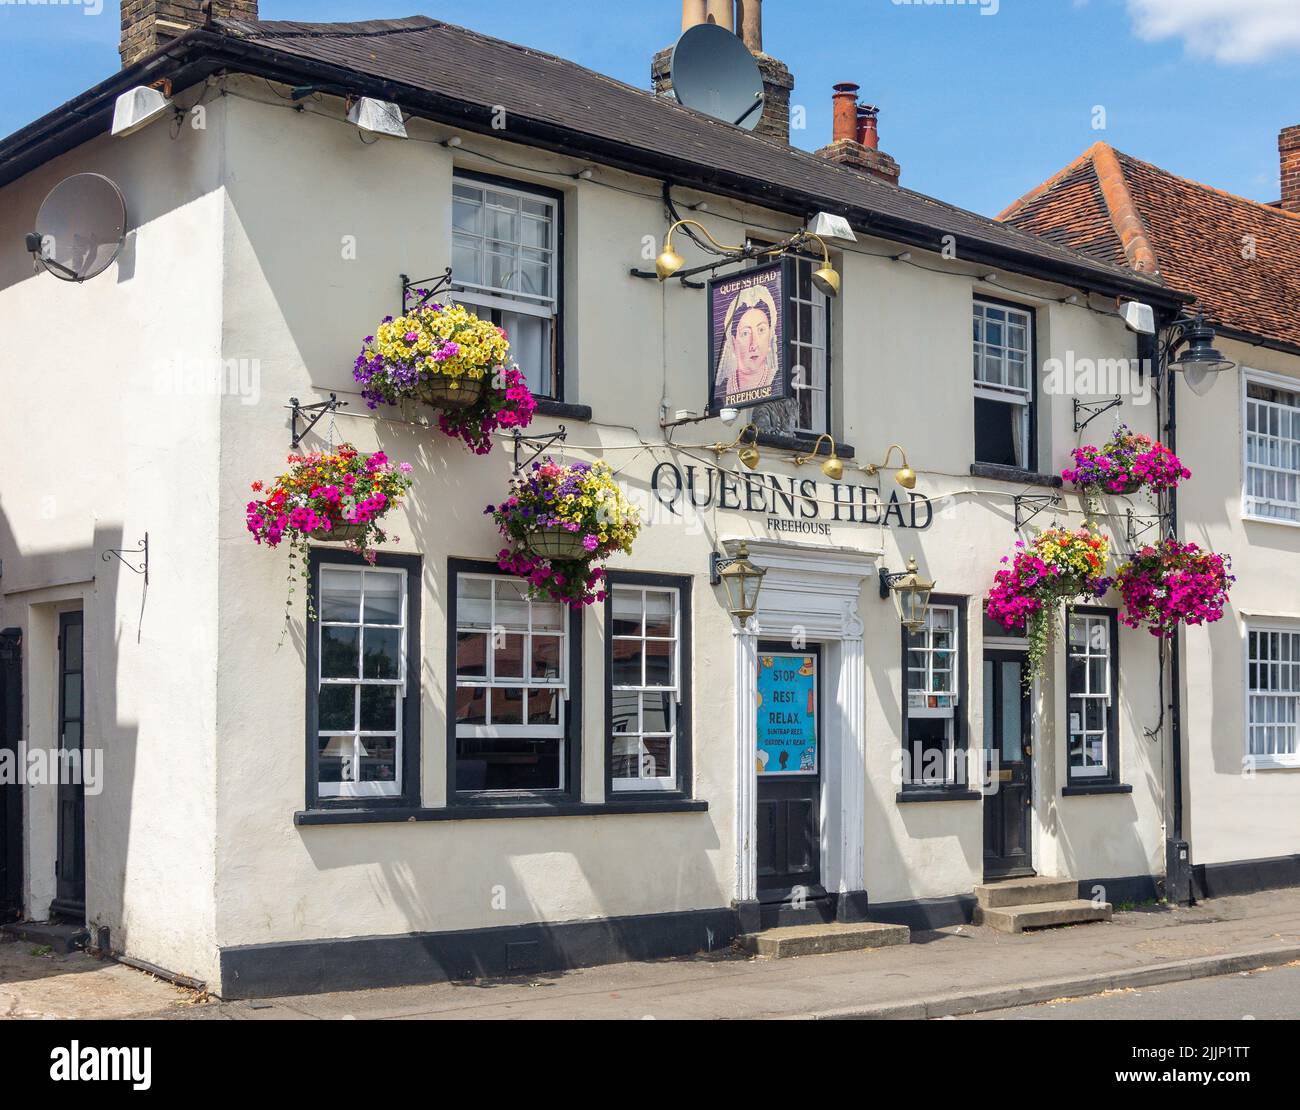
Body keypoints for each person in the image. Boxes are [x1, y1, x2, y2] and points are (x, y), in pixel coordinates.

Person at [713, 282, 781, 407]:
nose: (753, 344)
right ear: (733, 342)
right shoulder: (720, 393)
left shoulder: (779, 384)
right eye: (745, 333)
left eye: (761, 330)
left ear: (770, 334)